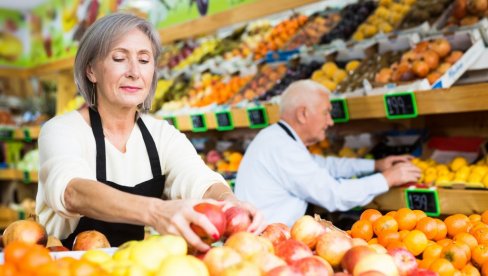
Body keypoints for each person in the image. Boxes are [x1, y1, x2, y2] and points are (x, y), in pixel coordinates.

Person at [35, 13, 263, 252]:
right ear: (91, 70)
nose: (134, 72)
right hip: (63, 265)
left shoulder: (161, 135)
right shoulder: (62, 130)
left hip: (131, 266)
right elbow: (73, 191)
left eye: (144, 60)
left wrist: (230, 204)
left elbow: (198, 178)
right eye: (119, 58)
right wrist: (156, 211)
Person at [234, 80, 422, 226]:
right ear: (303, 114)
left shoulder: (277, 138)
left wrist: (376, 165)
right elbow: (334, 195)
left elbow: (324, 165)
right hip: (269, 246)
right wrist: (387, 179)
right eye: (326, 112)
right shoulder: (281, 148)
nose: (330, 121)